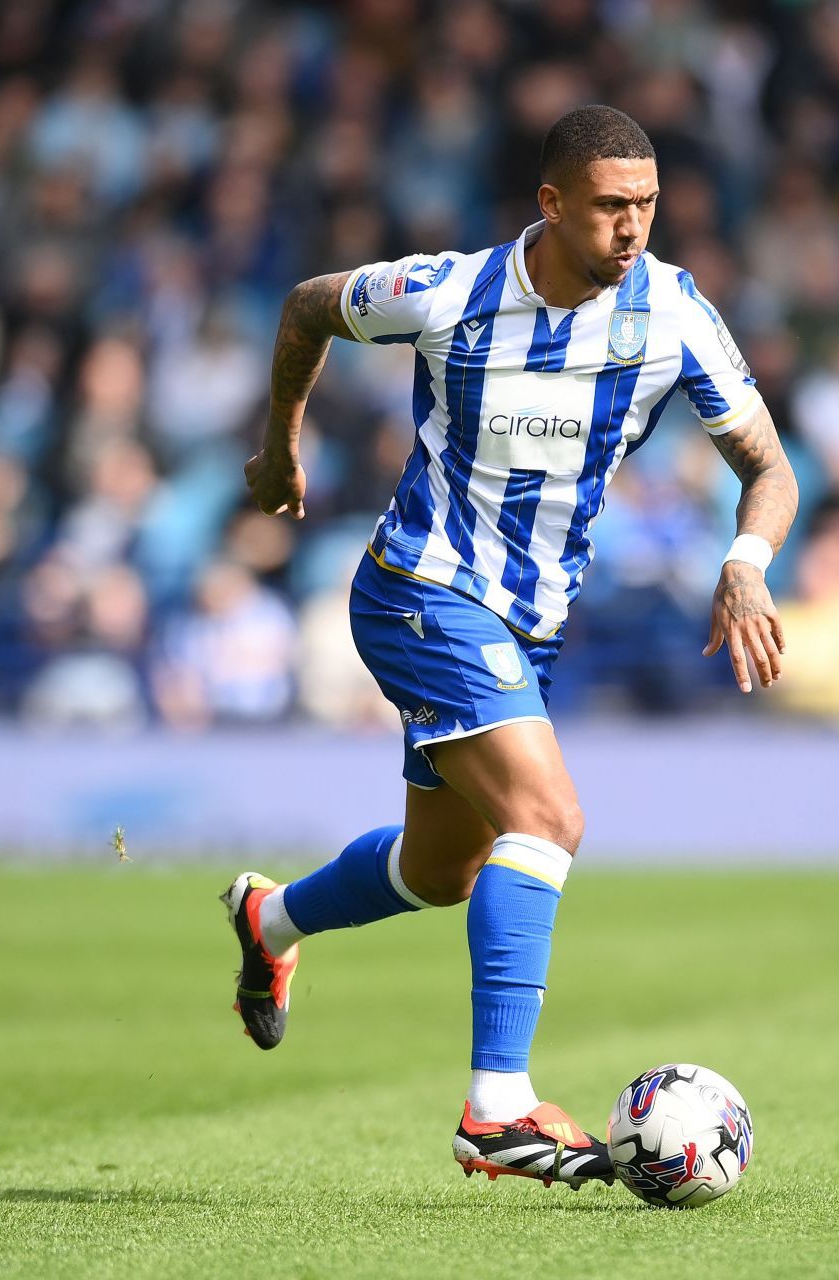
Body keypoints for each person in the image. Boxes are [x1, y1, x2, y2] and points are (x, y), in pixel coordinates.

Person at [228, 106, 798, 1189]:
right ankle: (496, 1106)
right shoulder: (448, 292)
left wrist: (746, 560)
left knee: (446, 869)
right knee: (550, 818)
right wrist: (280, 443)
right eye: (609, 206)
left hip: (526, 624)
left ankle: (272, 916)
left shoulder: (671, 312)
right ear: (550, 203)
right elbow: (308, 306)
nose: (633, 228)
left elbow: (770, 468)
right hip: (419, 589)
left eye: (647, 204)